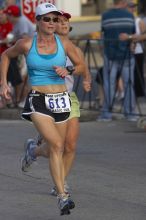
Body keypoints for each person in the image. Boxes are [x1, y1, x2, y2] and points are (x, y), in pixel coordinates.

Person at [0, 3, 85, 215]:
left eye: (55, 20)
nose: (52, 23)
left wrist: (69, 69)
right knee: (56, 145)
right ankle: (62, 197)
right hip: (39, 100)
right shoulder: (27, 43)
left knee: (58, 148)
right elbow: (6, 56)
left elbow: (82, 65)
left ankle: (33, 151)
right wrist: (3, 83)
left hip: (62, 99)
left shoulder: (64, 43)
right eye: (47, 19)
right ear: (38, 21)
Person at [20, 10, 91, 198]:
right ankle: (34, 151)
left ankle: (61, 182)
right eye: (58, 21)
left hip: (68, 97)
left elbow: (83, 66)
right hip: (44, 100)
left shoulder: (71, 47)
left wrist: (86, 79)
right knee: (56, 146)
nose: (62, 23)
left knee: (69, 146)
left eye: (65, 21)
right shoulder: (38, 44)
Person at [98, 0, 137, 122]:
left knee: (109, 84)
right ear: (124, 2)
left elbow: (102, 35)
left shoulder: (105, 15)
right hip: (127, 54)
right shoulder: (129, 16)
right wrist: (133, 45)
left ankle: (107, 114)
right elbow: (133, 35)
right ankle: (130, 113)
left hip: (110, 55)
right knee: (129, 84)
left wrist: (102, 51)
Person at [4, 5, 36, 106]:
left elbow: (24, 39)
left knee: (25, 76)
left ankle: (25, 99)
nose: (6, 17)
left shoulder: (21, 21)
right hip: (25, 52)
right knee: (24, 77)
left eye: (8, 15)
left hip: (31, 52)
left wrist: (10, 41)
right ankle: (23, 99)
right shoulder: (16, 23)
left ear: (12, 15)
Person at [119, 1, 146, 97]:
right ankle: (125, 93)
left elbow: (144, 36)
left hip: (137, 51)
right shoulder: (122, 20)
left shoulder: (139, 21)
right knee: (125, 74)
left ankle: (138, 95)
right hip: (124, 51)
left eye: (134, 7)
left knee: (137, 75)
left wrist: (131, 38)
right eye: (130, 7)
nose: (132, 9)